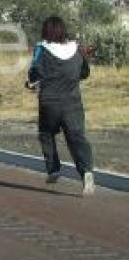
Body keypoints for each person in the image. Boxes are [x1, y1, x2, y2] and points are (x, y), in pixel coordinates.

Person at [27, 16, 94, 196]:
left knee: (46, 134)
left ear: (46, 31)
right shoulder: (77, 49)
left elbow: (34, 74)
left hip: (49, 102)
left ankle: (53, 169)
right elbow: (84, 73)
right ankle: (86, 172)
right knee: (77, 137)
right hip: (73, 102)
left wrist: (30, 84)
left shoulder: (41, 49)